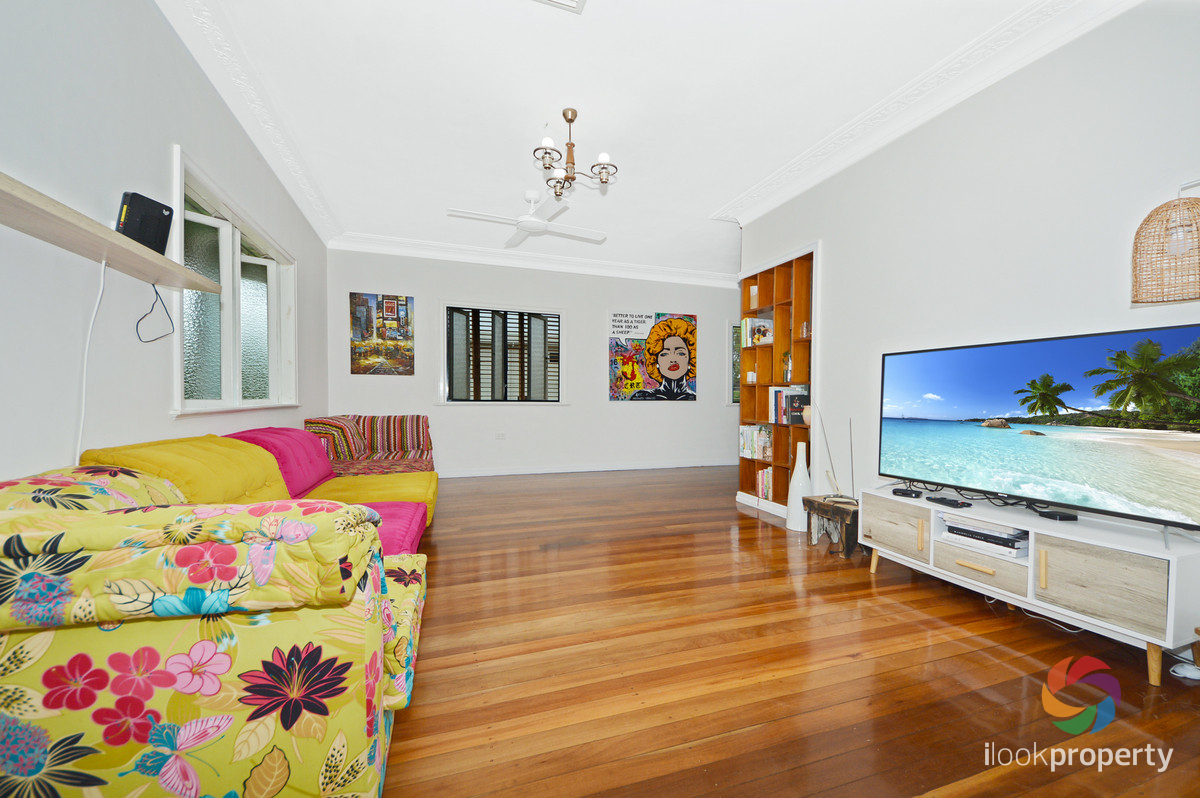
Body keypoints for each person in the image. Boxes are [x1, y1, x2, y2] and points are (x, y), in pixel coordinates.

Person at [632, 317, 697, 400]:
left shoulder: (694, 398)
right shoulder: (643, 397)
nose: (673, 360)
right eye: (665, 354)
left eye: (680, 353)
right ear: (656, 362)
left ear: (691, 360)